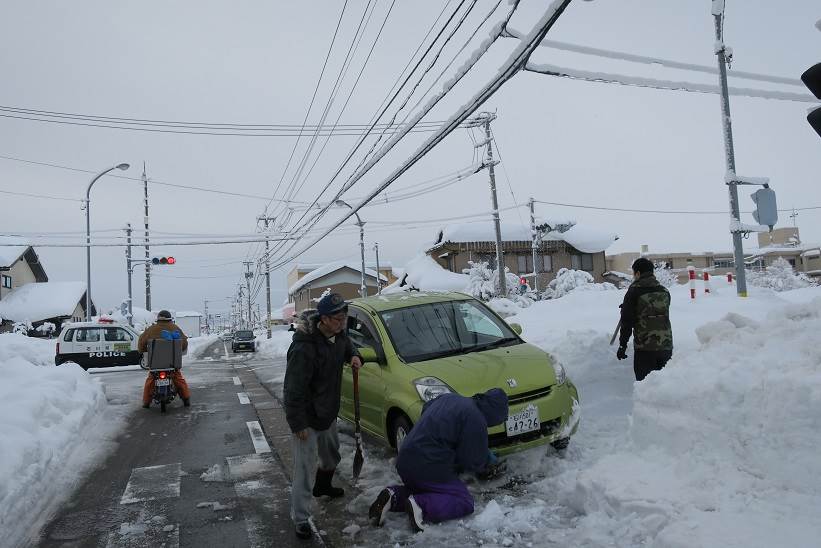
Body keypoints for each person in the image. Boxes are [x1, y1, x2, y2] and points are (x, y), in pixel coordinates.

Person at [368, 388, 509, 533]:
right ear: (495, 413)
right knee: (463, 500)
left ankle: (393, 496)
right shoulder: (476, 418)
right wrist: (486, 468)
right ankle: (420, 505)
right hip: (429, 463)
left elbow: (426, 408)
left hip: (405, 458)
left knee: (427, 489)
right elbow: (472, 461)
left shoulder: (451, 398)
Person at [283, 294, 362, 541]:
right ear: (324, 319)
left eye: (344, 317)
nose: (343, 323)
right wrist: (298, 424)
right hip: (306, 418)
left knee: (331, 456)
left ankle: (324, 485)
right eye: (338, 319)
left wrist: (354, 355)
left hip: (328, 412)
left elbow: (347, 344)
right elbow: (292, 389)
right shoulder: (304, 348)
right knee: (304, 470)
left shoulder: (338, 335)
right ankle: (301, 518)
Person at [616, 258, 674, 381]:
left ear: (637, 273)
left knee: (645, 387)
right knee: (666, 385)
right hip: (666, 347)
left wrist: (622, 346)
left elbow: (627, 322)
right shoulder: (664, 291)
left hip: (645, 349)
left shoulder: (634, 292)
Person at [138, 310, 191, 408]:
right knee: (178, 379)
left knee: (150, 379)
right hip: (172, 364)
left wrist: (143, 351)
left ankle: (146, 402)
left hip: (155, 364)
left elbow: (141, 343)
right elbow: (184, 344)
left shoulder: (151, 329)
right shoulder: (175, 328)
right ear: (170, 319)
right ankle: (186, 399)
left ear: (158, 319)